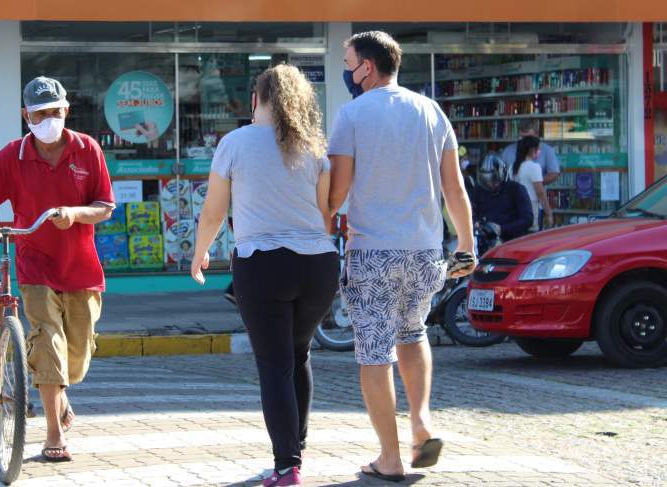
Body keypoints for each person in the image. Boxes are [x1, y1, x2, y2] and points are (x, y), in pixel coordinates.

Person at [0, 76, 115, 463]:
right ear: (24, 115)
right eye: (39, 113)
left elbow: (104, 206)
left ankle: (59, 394)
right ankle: (53, 434)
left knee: (76, 358)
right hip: (33, 264)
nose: (48, 119)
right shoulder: (12, 156)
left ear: (66, 109)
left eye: (54, 111)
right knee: (46, 340)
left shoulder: (88, 149)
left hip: (81, 268)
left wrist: (75, 214)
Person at [328, 31, 476, 482]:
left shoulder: (351, 115)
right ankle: (422, 421)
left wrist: (319, 224)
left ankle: (389, 458)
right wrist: (466, 245)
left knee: (373, 351)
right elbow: (454, 188)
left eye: (349, 61)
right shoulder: (431, 111)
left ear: (367, 67)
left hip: (373, 249)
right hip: (426, 249)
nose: (347, 70)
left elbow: (337, 191)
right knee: (412, 335)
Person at [192, 64, 338, 487]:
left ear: (257, 100)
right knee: (298, 355)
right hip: (318, 265)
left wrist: (200, 255)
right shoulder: (315, 148)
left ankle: (286, 466)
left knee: (274, 365)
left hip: (263, 262)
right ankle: (296, 453)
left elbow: (214, 212)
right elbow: (325, 213)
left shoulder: (235, 142)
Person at [471, 154, 534, 242]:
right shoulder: (478, 191)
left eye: (494, 180)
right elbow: (471, 213)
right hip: (485, 241)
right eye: (486, 181)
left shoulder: (516, 190)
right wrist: (475, 223)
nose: (491, 184)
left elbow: (527, 219)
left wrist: (502, 229)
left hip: (512, 241)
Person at [510, 136, 553, 232]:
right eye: (538, 148)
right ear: (533, 150)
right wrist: (548, 213)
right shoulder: (534, 167)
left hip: (515, 210)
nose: (539, 151)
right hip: (532, 208)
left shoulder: (512, 167)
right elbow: (540, 193)